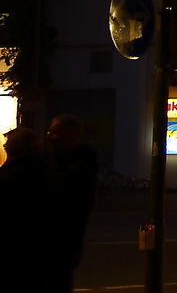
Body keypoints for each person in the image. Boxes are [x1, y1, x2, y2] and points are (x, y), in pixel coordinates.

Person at [46, 115, 98, 293]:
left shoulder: (76, 168)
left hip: (60, 246)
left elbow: (61, 204)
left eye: (54, 133)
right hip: (61, 247)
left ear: (69, 135)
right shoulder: (63, 163)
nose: (50, 137)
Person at [0, 127, 48, 292]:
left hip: (17, 249)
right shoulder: (35, 168)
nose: (5, 146)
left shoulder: (19, 173)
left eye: (8, 142)